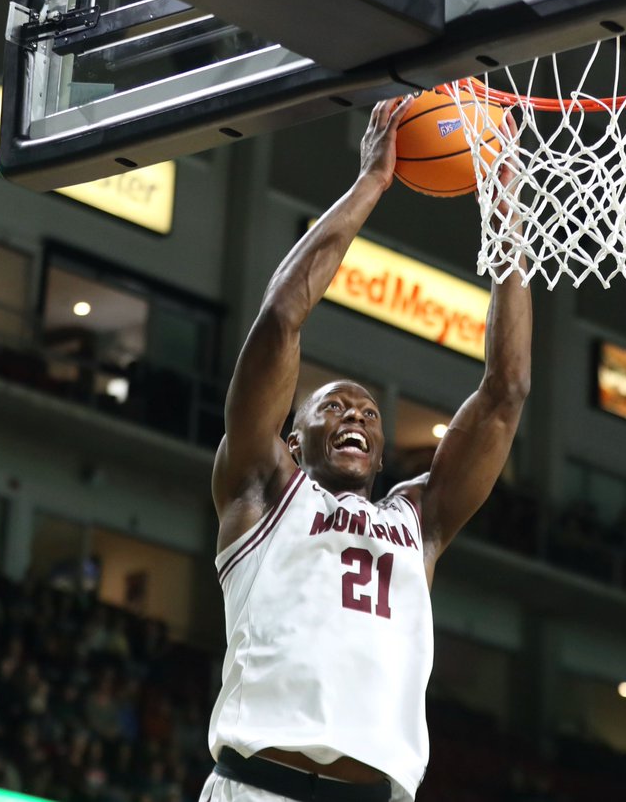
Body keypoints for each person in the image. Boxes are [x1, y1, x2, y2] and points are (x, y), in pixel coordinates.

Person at [201, 98, 532, 802]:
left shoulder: (418, 521)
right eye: (335, 407)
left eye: (370, 413)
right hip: (257, 784)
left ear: (383, 455)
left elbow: (506, 392)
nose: (355, 414)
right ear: (295, 439)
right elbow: (280, 319)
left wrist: (504, 205)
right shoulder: (262, 491)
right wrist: (370, 184)